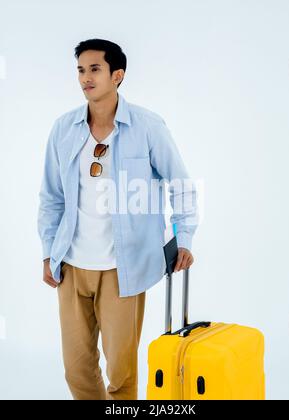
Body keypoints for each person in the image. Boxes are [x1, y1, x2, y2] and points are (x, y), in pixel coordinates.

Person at [37, 38, 198, 400]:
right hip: (72, 266)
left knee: (121, 373)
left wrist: (184, 237)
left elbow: (181, 186)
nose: (85, 78)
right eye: (81, 70)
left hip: (123, 269)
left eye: (95, 69)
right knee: (77, 369)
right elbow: (51, 197)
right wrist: (49, 251)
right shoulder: (63, 129)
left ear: (117, 75)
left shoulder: (147, 126)